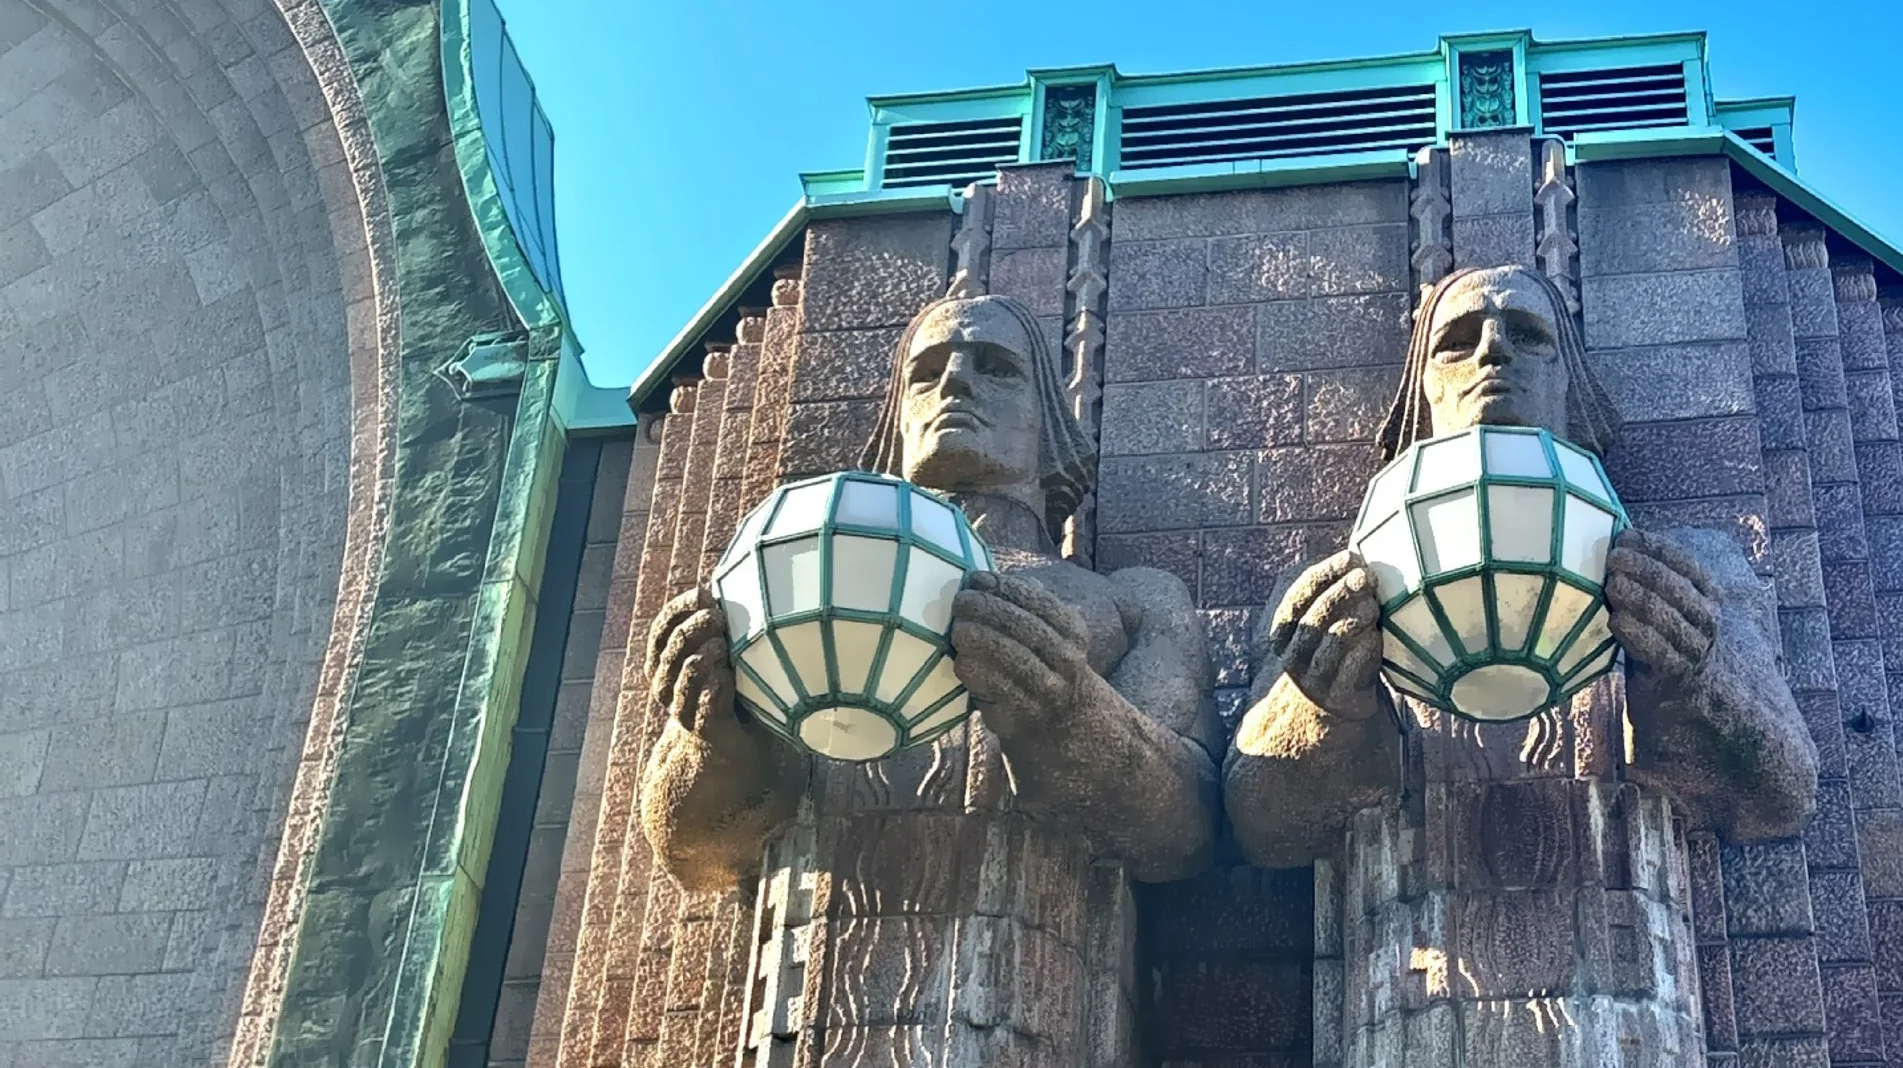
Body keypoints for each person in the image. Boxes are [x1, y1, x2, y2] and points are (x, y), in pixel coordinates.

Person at [1223, 260, 1815, 859]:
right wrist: (1320, 710)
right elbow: (1258, 825)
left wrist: (1696, 678)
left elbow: (1786, 793)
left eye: (1528, 334)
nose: (1492, 350)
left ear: (1568, 383)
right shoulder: (1341, 595)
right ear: (1423, 393)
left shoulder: (1686, 571)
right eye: (1456, 342)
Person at [640, 287, 1218, 891]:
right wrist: (712, 738)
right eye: (925, 373)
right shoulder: (802, 584)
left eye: (996, 368)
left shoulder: (1132, 602)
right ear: (899, 424)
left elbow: (1189, 830)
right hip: (806, 931)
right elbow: (693, 858)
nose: (955, 383)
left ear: (1047, 420)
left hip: (1036, 928)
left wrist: (1072, 714)